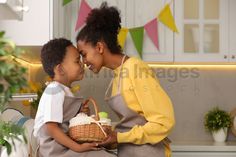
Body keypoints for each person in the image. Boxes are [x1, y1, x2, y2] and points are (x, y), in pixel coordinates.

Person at [76, 2, 175, 157]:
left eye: (84, 54)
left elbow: (163, 122)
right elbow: (131, 124)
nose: (83, 60)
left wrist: (119, 137)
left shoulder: (135, 69)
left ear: (100, 48)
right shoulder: (118, 75)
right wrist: (108, 132)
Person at [33, 38, 116, 157]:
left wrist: (80, 114)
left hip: (62, 144)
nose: (83, 64)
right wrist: (78, 147)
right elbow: (51, 128)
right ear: (60, 69)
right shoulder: (54, 90)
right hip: (52, 148)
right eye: (77, 61)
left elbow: (65, 121)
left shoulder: (64, 90)